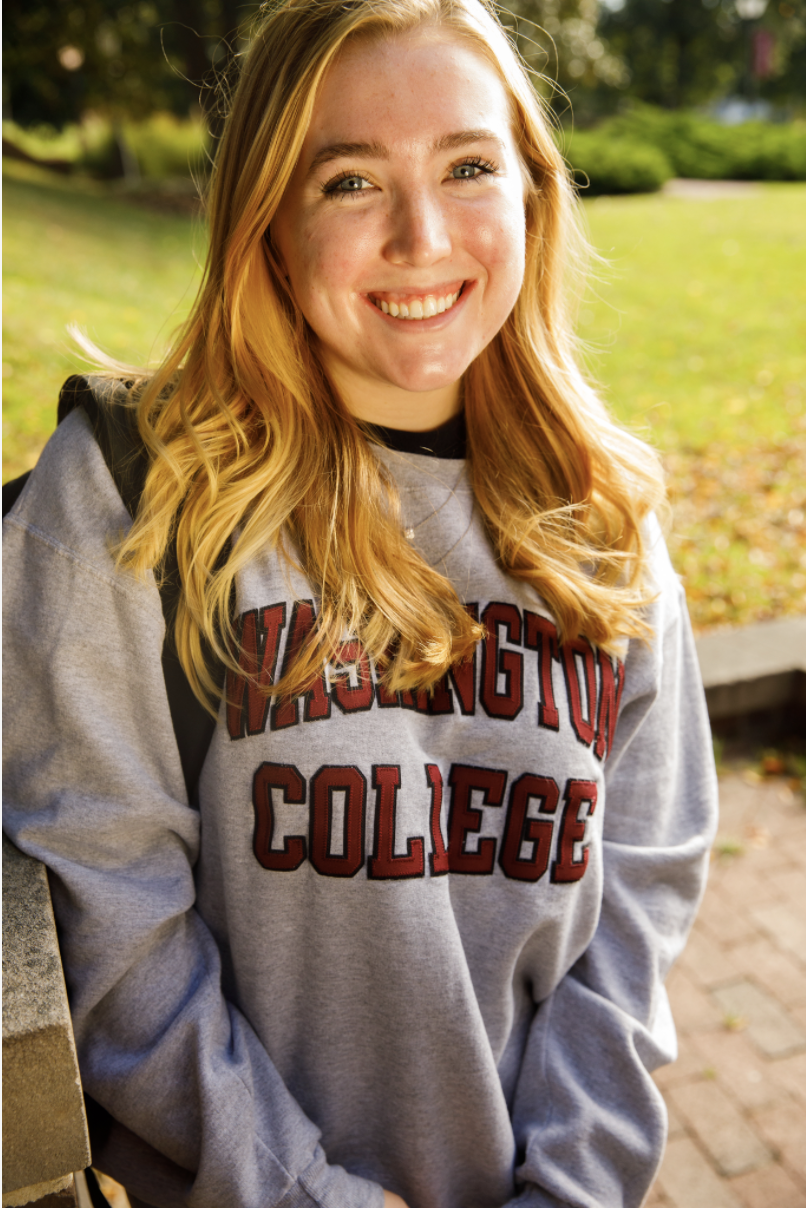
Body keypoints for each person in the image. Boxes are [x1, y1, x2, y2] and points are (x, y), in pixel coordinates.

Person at [2, 2, 718, 1207]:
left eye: (469, 166)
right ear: (268, 224)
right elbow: (115, 933)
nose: (421, 235)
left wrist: (576, 1182)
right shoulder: (131, 496)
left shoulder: (607, 522)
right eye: (348, 182)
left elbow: (635, 912)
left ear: (533, 195)